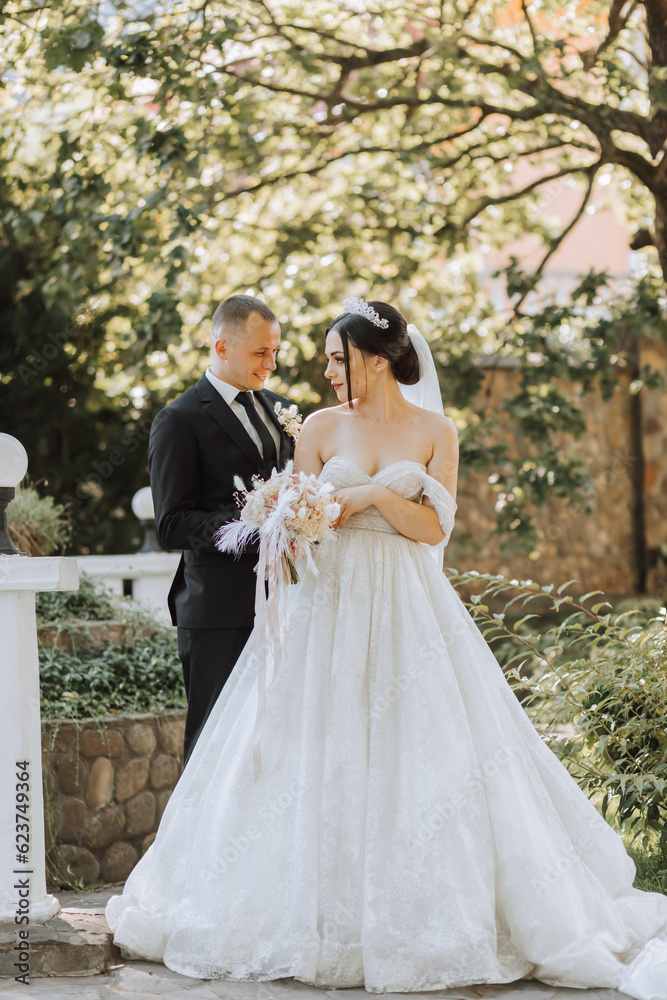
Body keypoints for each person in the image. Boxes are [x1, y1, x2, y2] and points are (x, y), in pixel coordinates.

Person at [107, 298, 667, 999]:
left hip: (407, 604)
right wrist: (295, 518)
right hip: (327, 604)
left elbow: (432, 530)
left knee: (422, 747)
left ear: (374, 359)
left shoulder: (437, 430)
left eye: (336, 359)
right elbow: (306, 516)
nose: (325, 370)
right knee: (308, 748)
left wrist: (370, 493)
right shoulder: (315, 426)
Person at [148, 294, 296, 764]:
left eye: (275, 351)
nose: (271, 363)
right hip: (217, 611)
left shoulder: (282, 410)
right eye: (260, 352)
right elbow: (172, 523)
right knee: (214, 748)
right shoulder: (179, 420)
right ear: (221, 347)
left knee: (276, 743)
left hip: (286, 604)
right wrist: (255, 526)